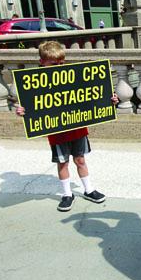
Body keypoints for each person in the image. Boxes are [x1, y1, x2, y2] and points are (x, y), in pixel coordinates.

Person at [15, 41, 119, 212]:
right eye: (54, 64)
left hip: (78, 127)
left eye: (61, 64)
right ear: (42, 62)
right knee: (63, 163)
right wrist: (21, 111)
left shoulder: (74, 77)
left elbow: (92, 94)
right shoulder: (33, 82)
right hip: (57, 132)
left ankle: (89, 189)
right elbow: (30, 105)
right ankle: (66, 194)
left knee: (80, 160)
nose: (58, 67)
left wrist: (110, 100)